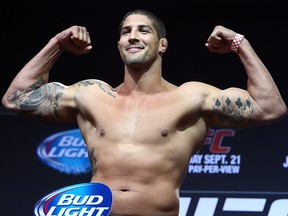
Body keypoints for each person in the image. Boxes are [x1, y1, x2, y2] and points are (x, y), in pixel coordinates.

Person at [2, 9, 287, 216]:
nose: (133, 36)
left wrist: (240, 43)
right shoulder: (92, 95)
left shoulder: (190, 97)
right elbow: (16, 98)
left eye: (143, 30)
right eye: (126, 32)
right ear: (118, 46)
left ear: (162, 44)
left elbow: (269, 107)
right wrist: (57, 45)